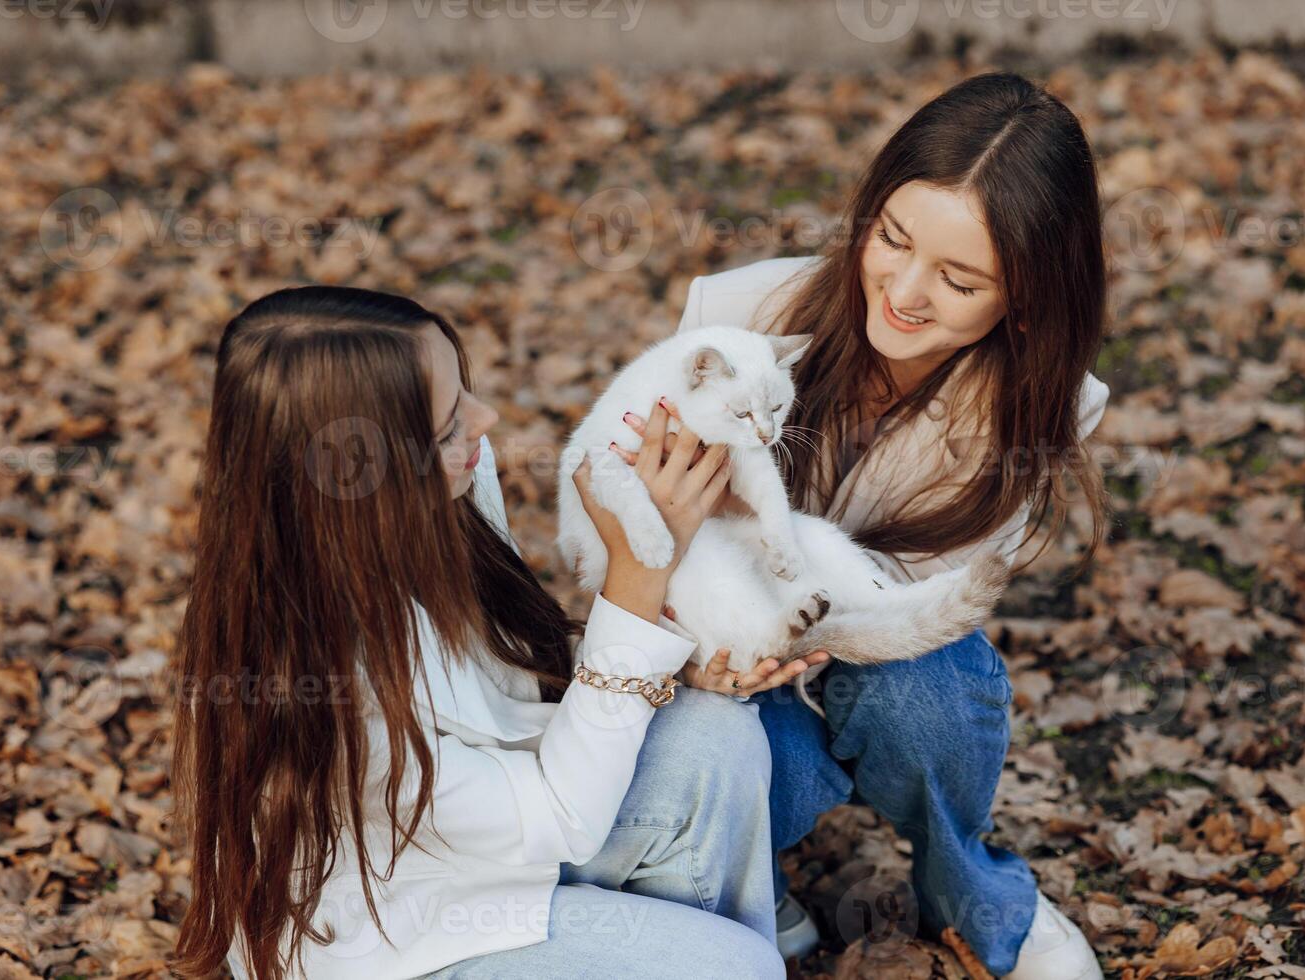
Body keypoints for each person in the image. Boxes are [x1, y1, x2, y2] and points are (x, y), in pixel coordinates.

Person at [170, 286, 784, 980]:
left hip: (487, 848)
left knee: (715, 739)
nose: (485, 419)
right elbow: (563, 818)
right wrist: (639, 579)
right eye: (448, 424)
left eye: (464, 392)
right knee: (741, 970)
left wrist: (674, 643)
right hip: (404, 939)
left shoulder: (443, 487)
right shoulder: (318, 680)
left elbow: (513, 696)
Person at [643, 71, 1112, 979]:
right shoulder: (732, 314)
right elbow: (654, 527)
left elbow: (927, 598)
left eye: (960, 278)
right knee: (708, 750)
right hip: (722, 648)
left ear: (1025, 296)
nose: (904, 290)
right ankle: (750, 880)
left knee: (926, 695)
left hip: (885, 644)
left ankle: (974, 894)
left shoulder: (1046, 406)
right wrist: (703, 646)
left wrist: (805, 636)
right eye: (891, 240)